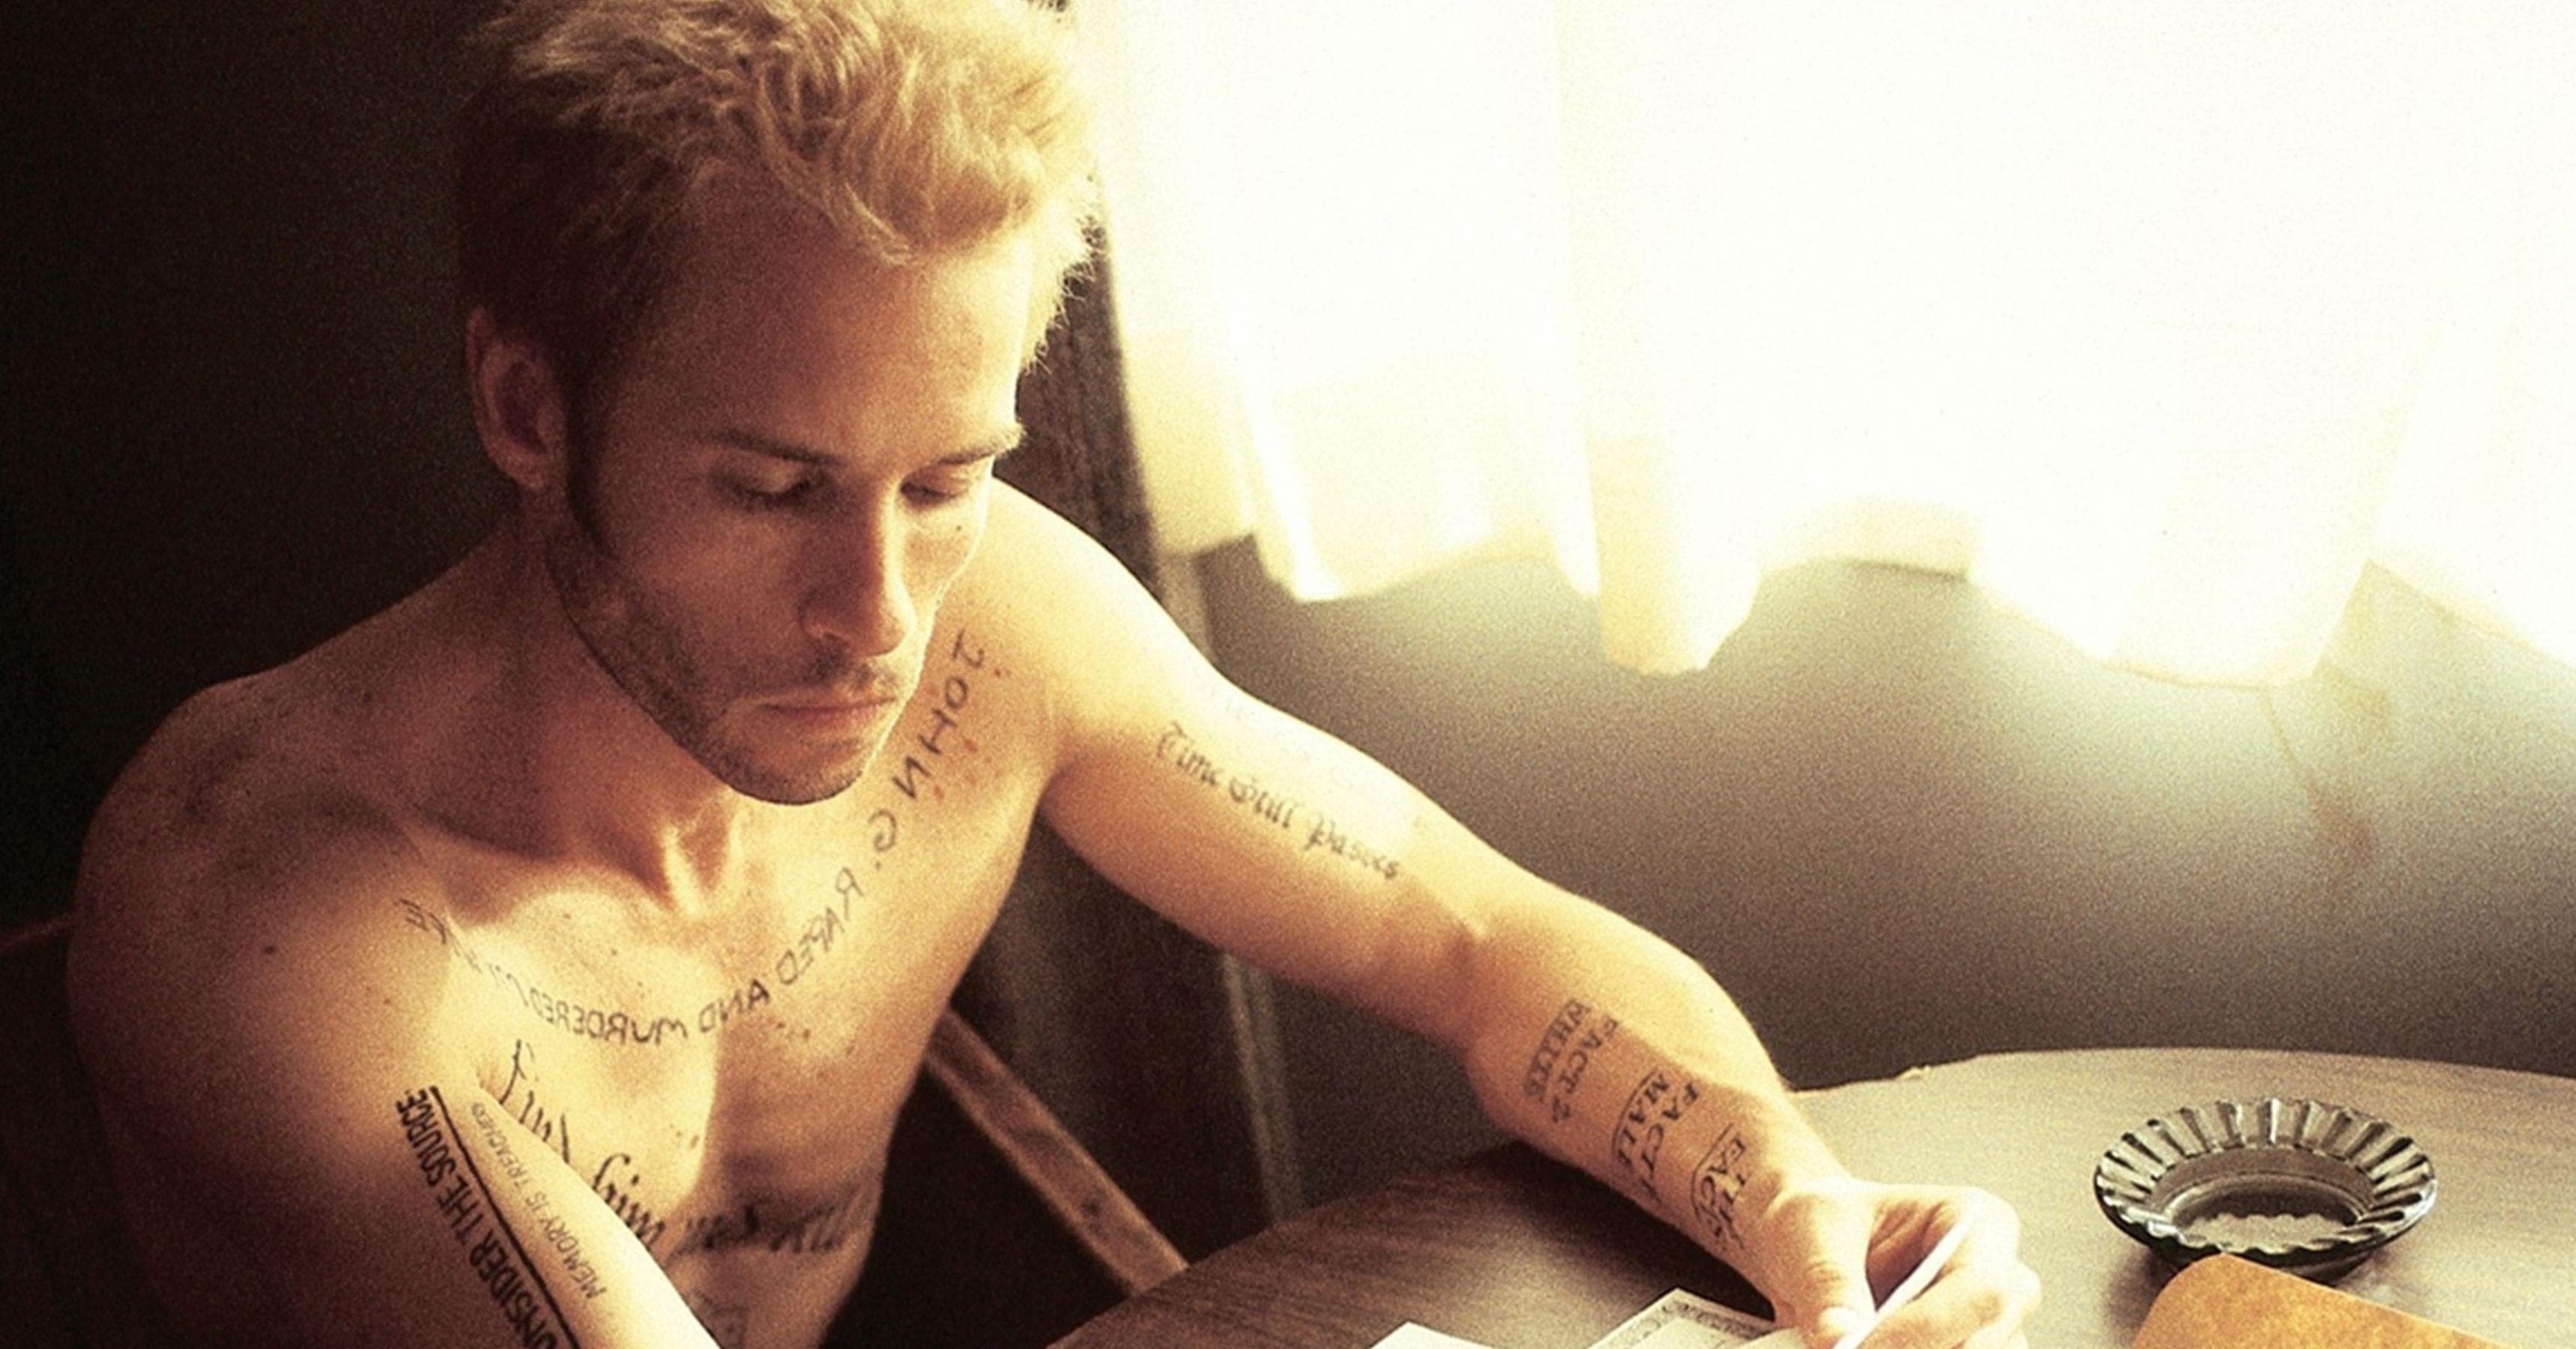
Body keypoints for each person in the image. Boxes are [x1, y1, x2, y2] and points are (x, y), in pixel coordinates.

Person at [65, 1, 2040, 1345]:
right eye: (774, 489)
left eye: (947, 479)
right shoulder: (276, 931)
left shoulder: (1000, 612)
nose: (881, 613)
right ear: (526, 406)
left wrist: (1794, 1196)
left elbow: (1472, 939)